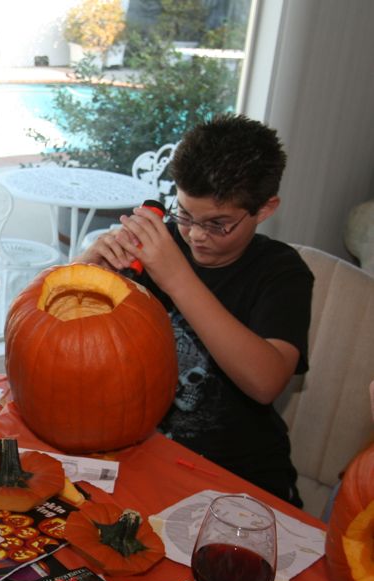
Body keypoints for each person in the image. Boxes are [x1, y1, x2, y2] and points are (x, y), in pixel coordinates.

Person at [80, 113, 313, 507]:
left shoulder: (282, 272)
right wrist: (85, 271)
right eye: (185, 214)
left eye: (219, 223)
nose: (196, 235)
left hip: (239, 482)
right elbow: (61, 345)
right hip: (144, 457)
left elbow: (266, 381)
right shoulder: (156, 243)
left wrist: (176, 278)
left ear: (265, 208)